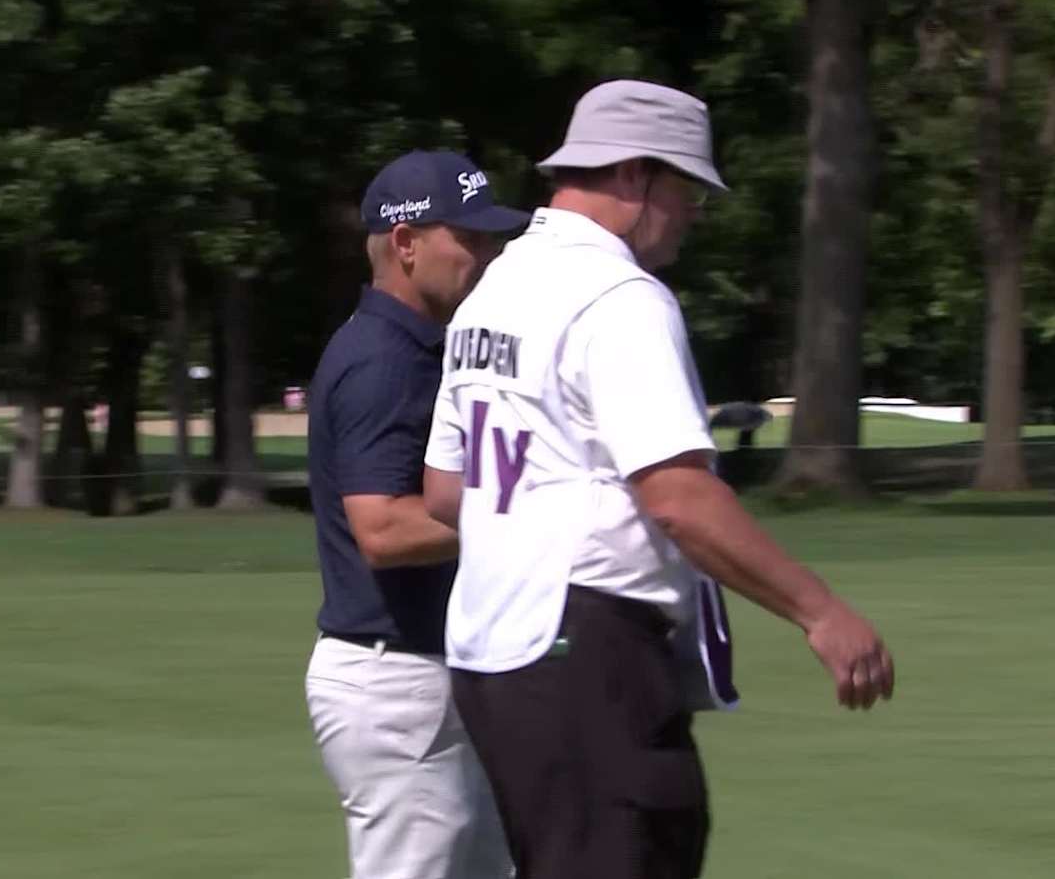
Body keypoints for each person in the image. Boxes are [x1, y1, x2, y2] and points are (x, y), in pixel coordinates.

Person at [421, 80, 896, 879]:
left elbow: (444, 490)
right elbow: (679, 498)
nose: (696, 213)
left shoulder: (492, 291)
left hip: (491, 654)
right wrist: (820, 613)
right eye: (688, 190)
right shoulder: (620, 297)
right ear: (636, 175)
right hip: (585, 649)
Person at [305, 149, 529, 879]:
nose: (489, 254)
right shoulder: (385, 360)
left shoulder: (423, 350)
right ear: (405, 245)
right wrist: (529, 514)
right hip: (396, 684)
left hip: (428, 677)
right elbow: (383, 527)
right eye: (469, 239)